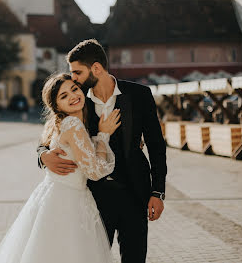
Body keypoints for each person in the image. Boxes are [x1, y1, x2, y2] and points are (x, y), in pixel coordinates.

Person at [37, 39, 167, 263]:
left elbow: (156, 145)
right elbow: (52, 132)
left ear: (96, 68)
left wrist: (158, 192)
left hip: (134, 195)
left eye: (77, 72)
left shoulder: (139, 95)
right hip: (94, 199)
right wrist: (43, 156)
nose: (73, 78)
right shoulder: (77, 98)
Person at [0, 73, 121, 263]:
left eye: (74, 89)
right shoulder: (73, 124)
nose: (73, 96)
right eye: (63, 96)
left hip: (57, 195)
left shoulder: (62, 123)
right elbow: (94, 172)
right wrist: (103, 136)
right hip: (67, 201)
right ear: (56, 105)